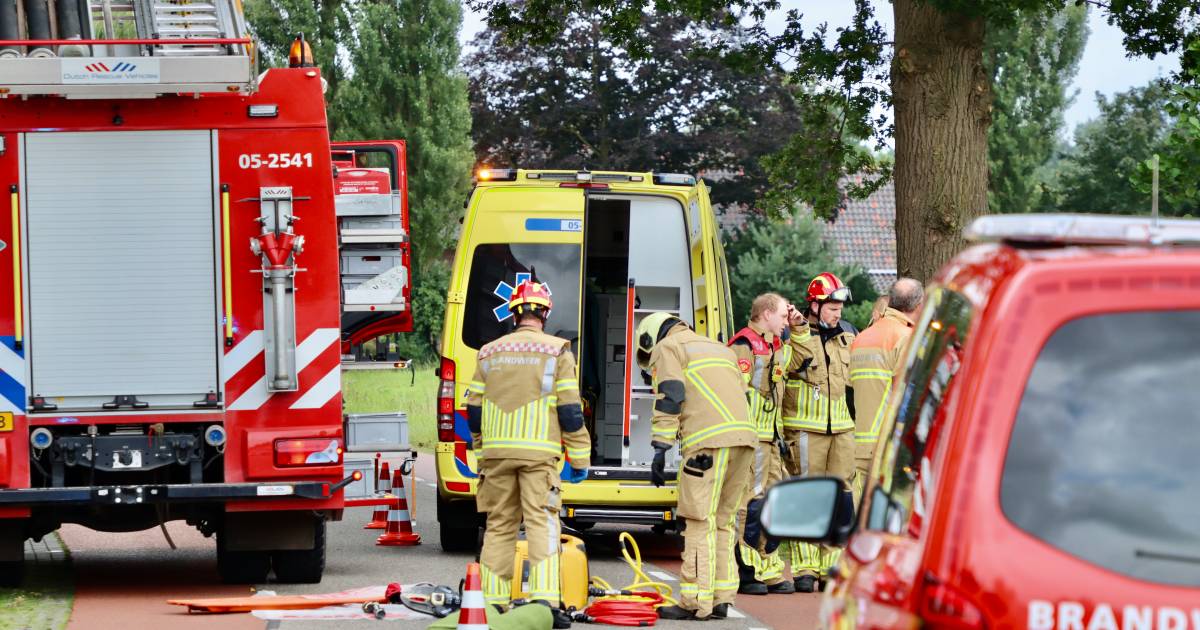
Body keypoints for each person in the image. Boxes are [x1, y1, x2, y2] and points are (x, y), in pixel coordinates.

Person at [465, 280, 590, 629]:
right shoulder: (558, 351)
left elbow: (473, 408)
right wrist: (579, 458)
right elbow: (569, 411)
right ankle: (545, 602)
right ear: (545, 313)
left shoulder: (489, 352)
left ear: (514, 312)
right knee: (542, 523)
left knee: (500, 524)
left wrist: (481, 447)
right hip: (539, 455)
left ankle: (490, 602)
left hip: (497, 454)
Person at [637, 311, 756, 621]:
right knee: (724, 519)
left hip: (706, 445)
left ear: (652, 338)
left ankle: (695, 602)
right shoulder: (721, 348)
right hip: (744, 440)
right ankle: (721, 599)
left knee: (698, 519)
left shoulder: (669, 348)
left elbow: (671, 395)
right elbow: (744, 394)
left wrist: (660, 447)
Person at [780, 272, 856, 592]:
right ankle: (805, 568)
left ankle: (831, 567)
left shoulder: (849, 336)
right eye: (831, 307)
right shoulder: (793, 337)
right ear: (814, 305)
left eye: (839, 308)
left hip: (842, 430)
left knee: (839, 499)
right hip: (805, 430)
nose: (838, 313)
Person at [727, 294, 803, 596]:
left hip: (772, 437)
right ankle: (746, 569)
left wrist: (799, 328)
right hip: (752, 435)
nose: (788, 319)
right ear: (767, 313)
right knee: (751, 502)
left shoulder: (778, 345)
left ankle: (767, 569)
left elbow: (802, 362)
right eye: (784, 315)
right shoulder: (743, 344)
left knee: (772, 501)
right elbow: (738, 390)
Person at [849, 278, 923, 506]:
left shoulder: (862, 337)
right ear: (918, 305)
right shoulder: (906, 337)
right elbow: (906, 396)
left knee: (861, 513)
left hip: (862, 442)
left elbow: (849, 393)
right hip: (890, 444)